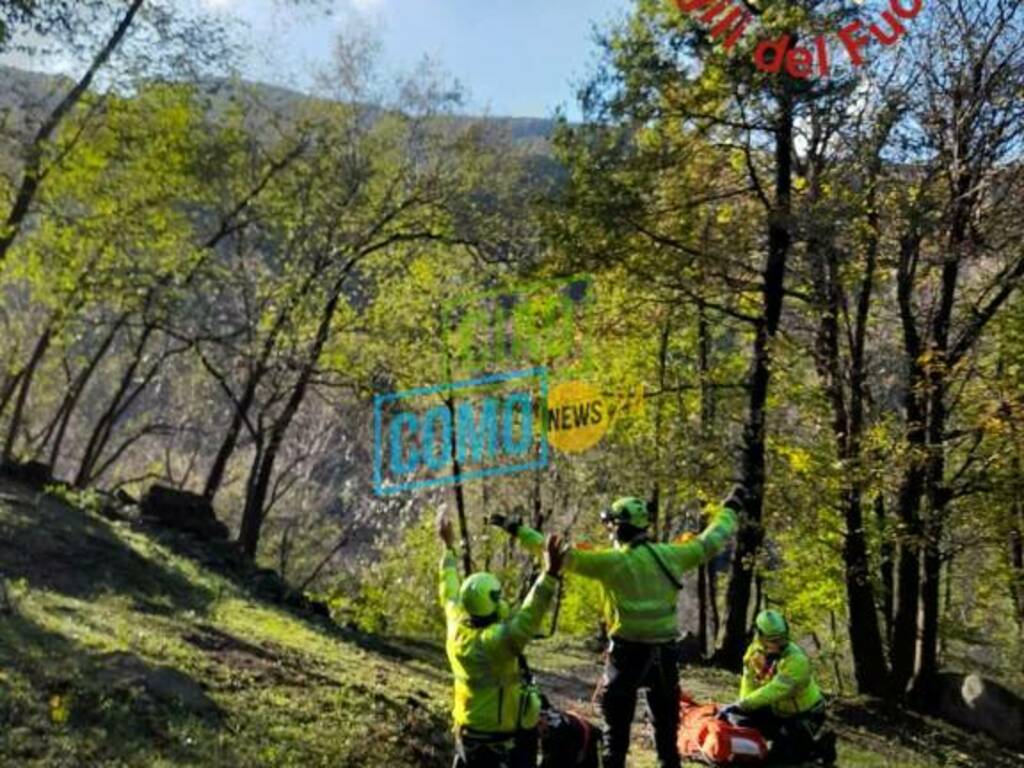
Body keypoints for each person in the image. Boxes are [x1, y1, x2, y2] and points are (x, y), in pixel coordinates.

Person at [490, 486, 744, 768]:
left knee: (616, 735)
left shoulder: (612, 562)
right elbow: (712, 541)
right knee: (666, 733)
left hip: (626, 655)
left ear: (620, 529)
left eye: (611, 527)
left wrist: (516, 529)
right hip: (665, 655)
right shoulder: (672, 555)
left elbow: (557, 553)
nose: (609, 533)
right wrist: (730, 509)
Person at [437, 509, 567, 768]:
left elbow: (447, 585)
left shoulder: (455, 624)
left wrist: (446, 547)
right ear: (494, 604)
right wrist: (550, 574)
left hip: (467, 732)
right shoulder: (499, 641)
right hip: (506, 740)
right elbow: (531, 613)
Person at [718, 609, 837, 765]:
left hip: (805, 715)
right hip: (778, 711)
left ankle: (818, 748)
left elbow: (774, 691)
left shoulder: (796, 660)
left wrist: (743, 704)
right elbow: (749, 683)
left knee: (778, 761)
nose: (779, 644)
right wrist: (741, 708)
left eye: (782, 639)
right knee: (740, 721)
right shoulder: (754, 653)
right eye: (773, 640)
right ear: (760, 636)